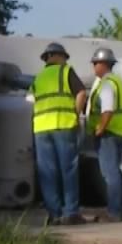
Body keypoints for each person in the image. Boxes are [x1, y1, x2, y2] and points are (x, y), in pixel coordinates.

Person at [27, 42, 87, 226]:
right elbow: (82, 94)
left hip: (41, 129)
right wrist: (76, 114)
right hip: (63, 125)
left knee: (47, 173)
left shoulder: (37, 78)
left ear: (46, 58)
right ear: (59, 56)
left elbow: (29, 101)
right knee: (68, 170)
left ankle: (55, 214)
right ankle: (71, 213)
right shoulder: (66, 71)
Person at [86, 47, 122, 222]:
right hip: (119, 132)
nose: (93, 67)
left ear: (103, 64)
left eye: (95, 63)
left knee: (110, 174)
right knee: (116, 172)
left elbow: (107, 110)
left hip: (108, 133)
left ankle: (114, 212)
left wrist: (100, 128)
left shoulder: (106, 84)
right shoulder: (117, 81)